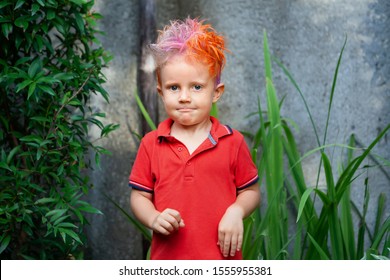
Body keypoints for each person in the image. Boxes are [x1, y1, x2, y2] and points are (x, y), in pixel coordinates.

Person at [129, 17, 260, 260]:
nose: (185, 97)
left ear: (216, 93)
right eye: (174, 88)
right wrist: (153, 217)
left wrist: (236, 210)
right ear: (161, 91)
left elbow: (251, 191)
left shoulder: (233, 142)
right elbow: (139, 197)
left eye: (197, 87)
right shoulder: (151, 143)